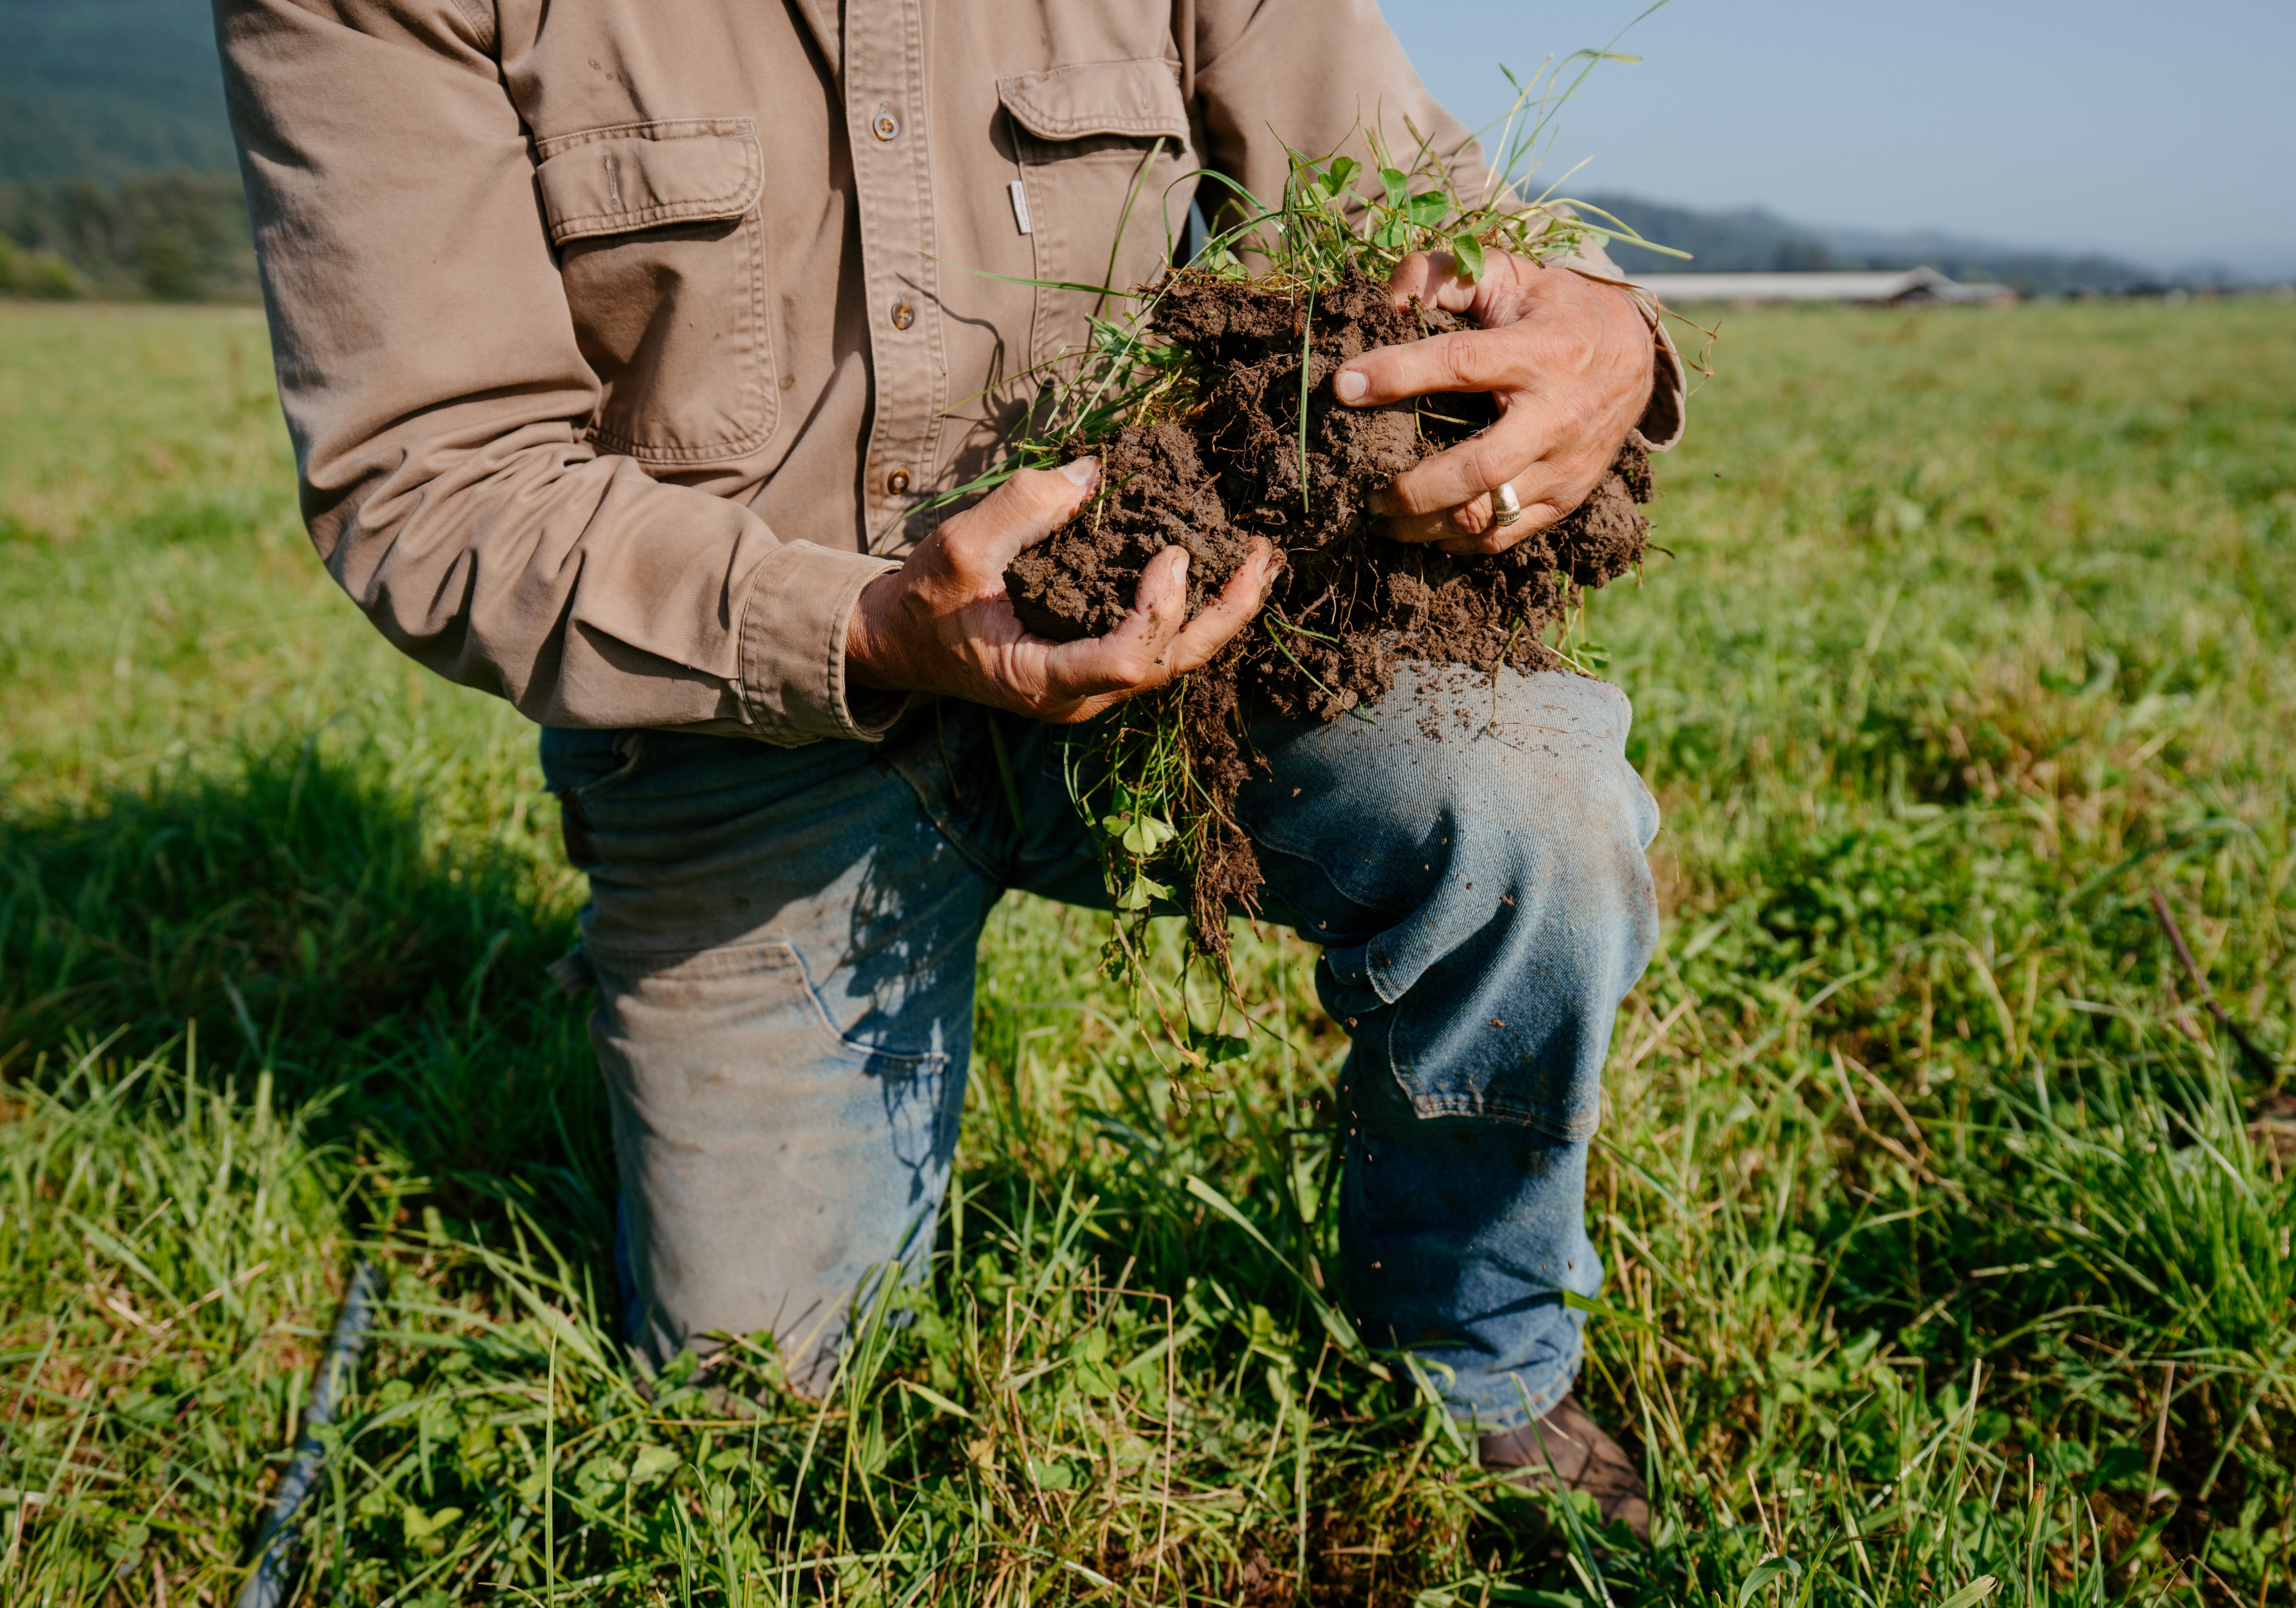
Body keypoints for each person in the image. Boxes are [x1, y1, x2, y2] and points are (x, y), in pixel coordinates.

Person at [213, 0, 1684, 1532]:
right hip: (749, 722)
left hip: (1181, 652)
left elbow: (1408, 207)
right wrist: (859, 623)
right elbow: (434, 480)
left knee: (1531, 794)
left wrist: (1597, 324)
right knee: (759, 1417)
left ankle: (1484, 1361)